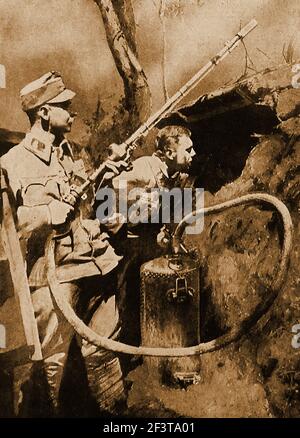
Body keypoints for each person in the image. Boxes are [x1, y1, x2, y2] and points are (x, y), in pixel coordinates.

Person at [0, 71, 126, 416]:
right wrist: (47, 212)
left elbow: (89, 205)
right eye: (64, 106)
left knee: (104, 347)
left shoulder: (70, 153)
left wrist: (108, 178)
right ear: (43, 112)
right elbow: (12, 223)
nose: (73, 112)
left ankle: (113, 414)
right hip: (51, 275)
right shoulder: (14, 163)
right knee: (49, 363)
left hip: (94, 262)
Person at [110, 125, 197, 353]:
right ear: (169, 153)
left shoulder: (182, 177)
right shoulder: (142, 168)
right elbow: (107, 203)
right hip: (127, 247)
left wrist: (170, 234)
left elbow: (178, 220)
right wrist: (135, 208)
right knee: (126, 306)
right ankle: (126, 354)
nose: (193, 154)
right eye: (188, 149)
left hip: (153, 245)